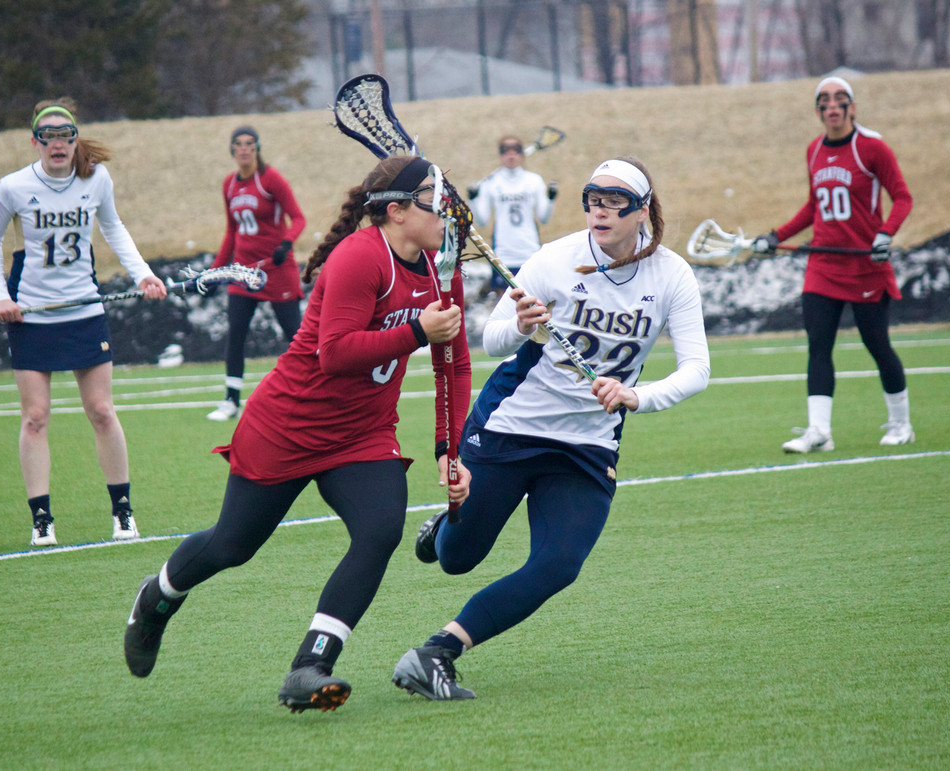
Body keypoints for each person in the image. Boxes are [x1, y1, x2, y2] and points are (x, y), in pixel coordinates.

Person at [124, 156, 471, 714]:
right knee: (233, 545)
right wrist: (415, 331)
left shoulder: (441, 267)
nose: (446, 209)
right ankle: (158, 596)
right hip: (289, 425)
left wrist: (448, 449)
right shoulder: (359, 257)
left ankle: (311, 666)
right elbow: (335, 354)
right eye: (434, 196)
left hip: (362, 434)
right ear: (398, 211)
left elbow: (454, 364)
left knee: (380, 529)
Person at [392, 157, 710, 700]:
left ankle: (437, 651)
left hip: (586, 445)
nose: (600, 211)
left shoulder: (672, 275)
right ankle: (443, 531)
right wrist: (519, 326)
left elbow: (697, 369)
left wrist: (635, 396)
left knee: (560, 564)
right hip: (512, 425)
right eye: (593, 200)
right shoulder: (554, 259)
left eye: (615, 202)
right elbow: (490, 340)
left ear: (642, 212)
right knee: (458, 558)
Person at [0, 97, 168, 547]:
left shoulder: (96, 179)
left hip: (84, 310)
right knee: (35, 417)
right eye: (48, 137)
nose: (57, 144)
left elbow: (113, 227)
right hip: (32, 314)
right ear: (35, 141)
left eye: (65, 136)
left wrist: (143, 274)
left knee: (101, 411)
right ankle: (41, 518)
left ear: (75, 140)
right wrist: (1, 295)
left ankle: (122, 511)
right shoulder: (14, 186)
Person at [751, 76, 915, 453]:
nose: (832, 106)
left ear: (852, 107)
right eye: (824, 100)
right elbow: (814, 206)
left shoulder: (872, 148)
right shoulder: (814, 150)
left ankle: (901, 424)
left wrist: (885, 234)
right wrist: (776, 236)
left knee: (878, 346)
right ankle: (819, 432)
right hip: (823, 264)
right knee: (819, 346)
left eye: (840, 99)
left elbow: (902, 197)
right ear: (818, 111)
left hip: (865, 266)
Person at [205, 126, 307, 421]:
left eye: (249, 144)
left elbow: (298, 218)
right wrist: (214, 273)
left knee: (296, 337)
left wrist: (286, 243)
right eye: (238, 144)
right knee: (236, 333)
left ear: (257, 148)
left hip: (276, 269)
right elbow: (231, 232)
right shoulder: (229, 185)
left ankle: (310, 395)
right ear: (232, 149)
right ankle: (231, 401)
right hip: (243, 272)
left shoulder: (270, 179)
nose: (244, 149)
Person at [467, 134, 557, 297]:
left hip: (530, 252)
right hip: (503, 255)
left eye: (516, 150)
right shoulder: (490, 183)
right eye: (505, 150)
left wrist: (551, 199)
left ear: (522, 154)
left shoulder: (534, 180)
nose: (511, 155)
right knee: (504, 302)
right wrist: (473, 199)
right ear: (499, 155)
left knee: (534, 300)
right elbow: (482, 220)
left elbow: (544, 218)